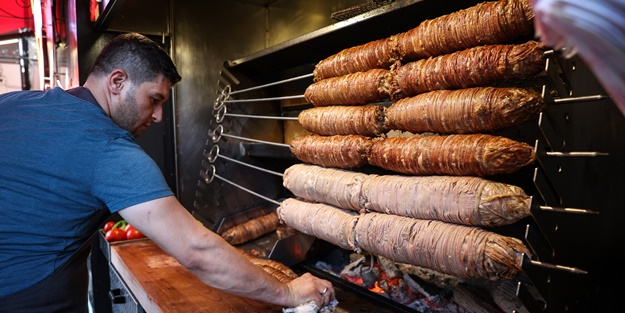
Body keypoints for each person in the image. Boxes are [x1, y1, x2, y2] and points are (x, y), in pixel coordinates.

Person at [0, 32, 335, 312]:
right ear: (117, 81)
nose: (158, 116)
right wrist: (288, 293)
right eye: (154, 99)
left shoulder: (13, 103)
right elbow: (197, 251)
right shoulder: (109, 149)